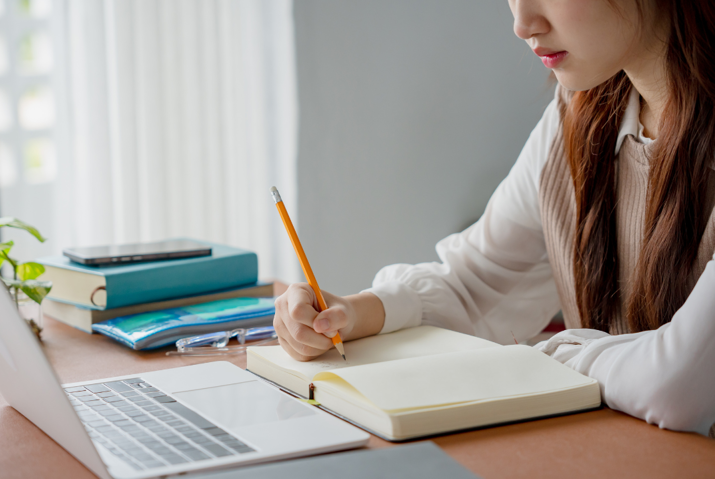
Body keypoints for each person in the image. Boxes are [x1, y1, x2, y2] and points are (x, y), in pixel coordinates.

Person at [273, 0, 715, 437]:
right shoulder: (583, 115)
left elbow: (676, 385)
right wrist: (355, 313)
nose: (523, 24)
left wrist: (546, 358)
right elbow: (479, 284)